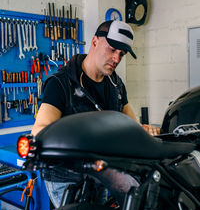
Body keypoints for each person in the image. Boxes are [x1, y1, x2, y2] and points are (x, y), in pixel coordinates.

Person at [31, 20, 160, 136]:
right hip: (76, 161)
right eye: (112, 49)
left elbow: (133, 125)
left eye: (122, 54)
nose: (117, 59)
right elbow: (39, 131)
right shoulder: (60, 83)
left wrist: (143, 130)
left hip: (111, 160)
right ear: (94, 42)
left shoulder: (116, 84)